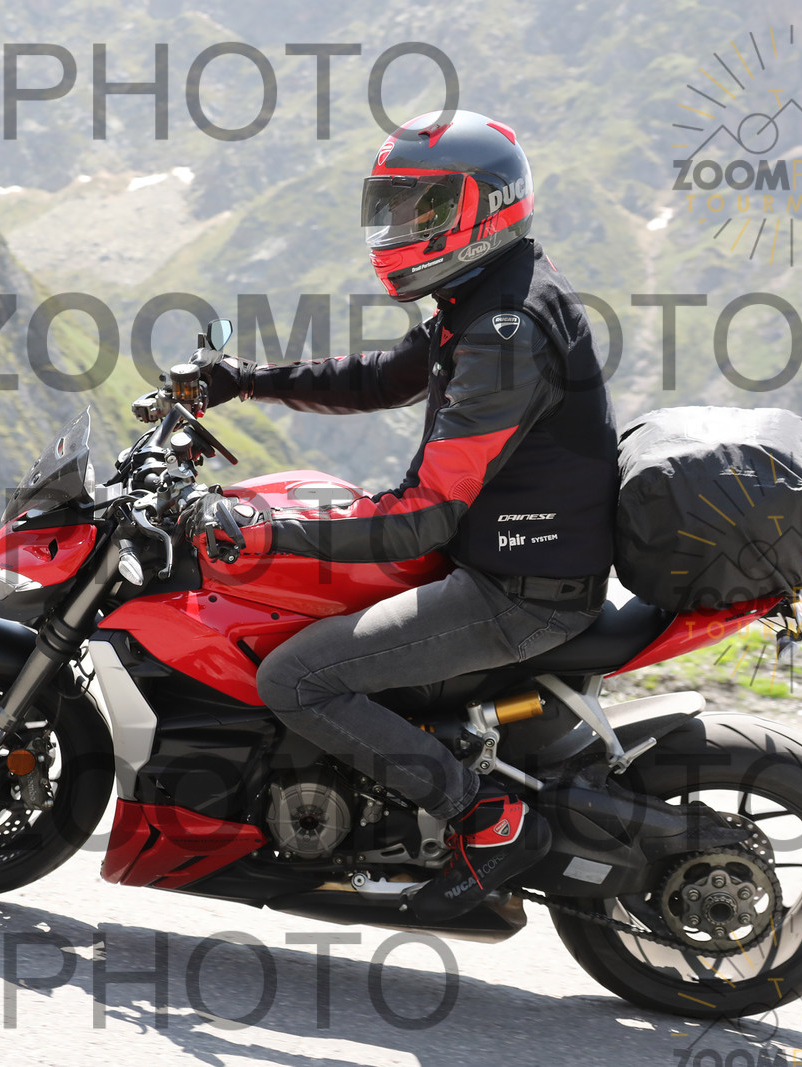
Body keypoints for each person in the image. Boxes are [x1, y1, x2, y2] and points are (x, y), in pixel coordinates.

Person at [199, 110, 618, 921]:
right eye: (391, 206)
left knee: (296, 677)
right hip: (508, 558)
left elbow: (423, 514)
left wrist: (260, 531)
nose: (397, 227)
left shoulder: (506, 331)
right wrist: (245, 378)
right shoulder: (489, 291)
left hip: (520, 591)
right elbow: (382, 377)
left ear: (483, 208)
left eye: (421, 208)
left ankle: (484, 817)